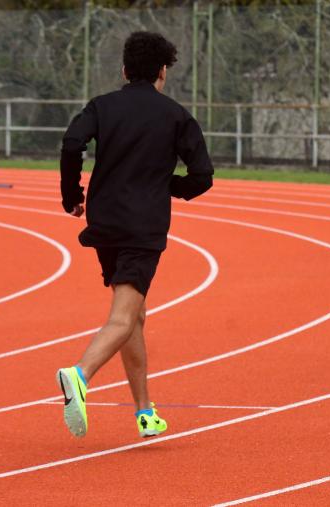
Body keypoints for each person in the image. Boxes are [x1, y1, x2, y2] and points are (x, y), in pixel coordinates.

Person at [56, 31, 213, 439]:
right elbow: (203, 176)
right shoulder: (176, 116)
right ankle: (80, 374)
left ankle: (145, 411)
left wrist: (72, 195)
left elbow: (72, 143)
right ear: (163, 71)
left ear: (125, 70)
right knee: (123, 317)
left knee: (134, 314)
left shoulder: (102, 106)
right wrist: (168, 186)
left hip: (105, 223)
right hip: (142, 227)